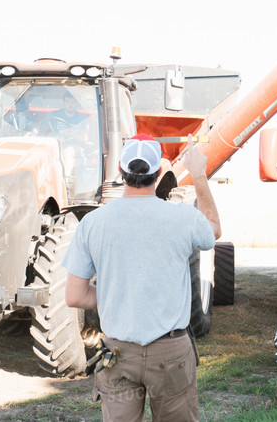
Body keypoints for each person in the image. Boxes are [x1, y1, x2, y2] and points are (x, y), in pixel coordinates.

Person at [62, 133, 220, 422]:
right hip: (171, 353)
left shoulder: (92, 224)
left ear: (121, 172)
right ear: (158, 173)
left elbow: (74, 296)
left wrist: (116, 291)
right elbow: (213, 231)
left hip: (117, 353)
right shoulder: (182, 218)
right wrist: (198, 174)